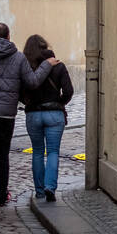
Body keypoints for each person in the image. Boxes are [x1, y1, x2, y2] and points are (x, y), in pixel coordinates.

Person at [0, 23, 59, 211]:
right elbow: (32, 82)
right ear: (8, 36)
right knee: (2, 155)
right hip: (5, 114)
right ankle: (1, 195)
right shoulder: (17, 57)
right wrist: (46, 65)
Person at [21, 34, 74, 202]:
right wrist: (59, 103)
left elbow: (20, 91)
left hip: (33, 114)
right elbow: (68, 91)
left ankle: (39, 191)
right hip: (54, 114)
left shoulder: (25, 66)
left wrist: (27, 102)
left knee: (37, 152)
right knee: (52, 152)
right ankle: (50, 187)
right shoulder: (58, 65)